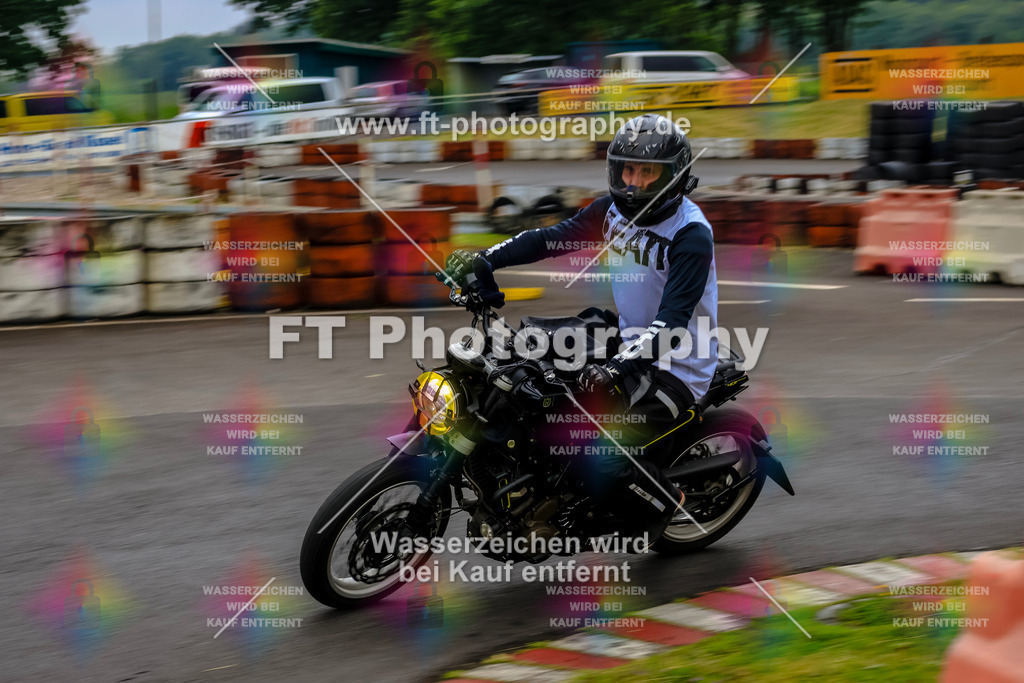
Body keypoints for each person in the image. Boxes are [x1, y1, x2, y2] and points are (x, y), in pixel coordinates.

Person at [446, 113, 718, 543]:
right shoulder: (611, 212)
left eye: (647, 173)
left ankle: (667, 501)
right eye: (627, 169)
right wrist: (485, 259)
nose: (633, 183)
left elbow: (671, 324)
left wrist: (614, 369)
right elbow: (550, 238)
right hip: (625, 339)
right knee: (521, 369)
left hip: (676, 367)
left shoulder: (690, 236)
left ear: (674, 177)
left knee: (595, 452)